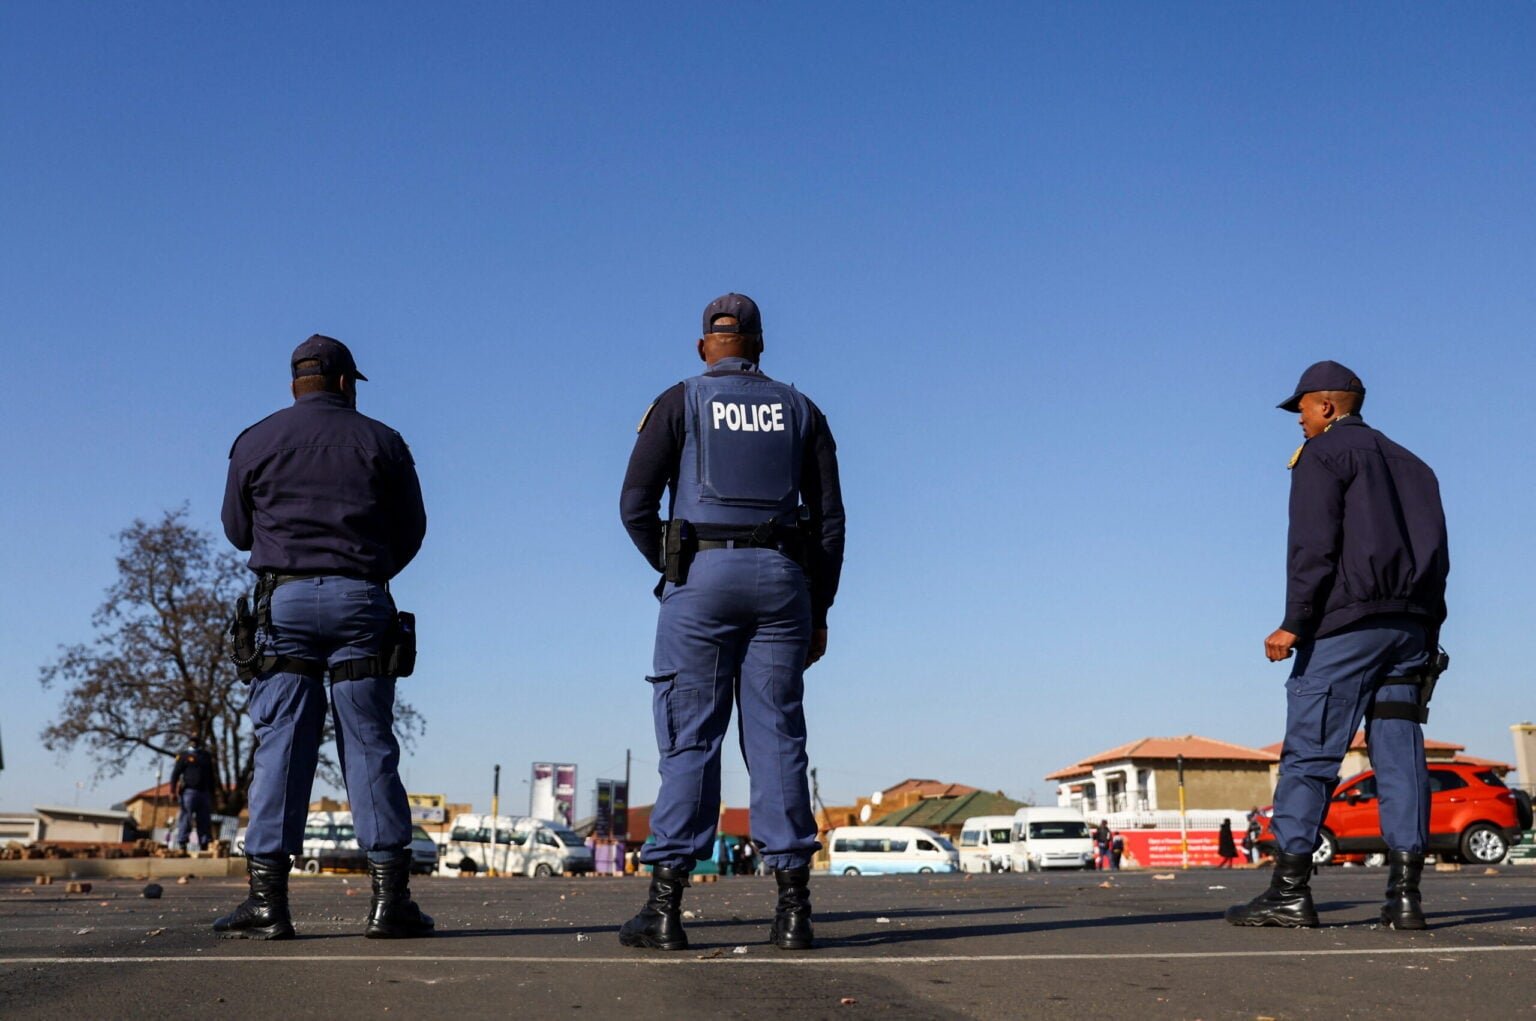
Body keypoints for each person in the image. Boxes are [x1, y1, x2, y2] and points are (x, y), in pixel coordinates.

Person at [618, 293, 846, 951]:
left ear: (703, 347)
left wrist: (675, 565)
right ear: (761, 346)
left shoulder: (679, 401)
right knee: (777, 736)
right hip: (784, 585)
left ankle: (665, 910)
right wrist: (820, 610)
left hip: (702, 579)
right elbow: (830, 521)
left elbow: (634, 504)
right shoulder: (802, 409)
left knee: (690, 737)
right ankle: (794, 910)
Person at [214, 334, 431, 941]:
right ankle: (390, 904)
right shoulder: (383, 441)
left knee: (280, 745)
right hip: (360, 601)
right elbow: (413, 528)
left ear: (294, 384)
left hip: (282, 605)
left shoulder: (254, 440)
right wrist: (367, 571)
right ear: (343, 383)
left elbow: (236, 530)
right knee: (369, 743)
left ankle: (268, 904)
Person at [1227, 361, 1448, 931]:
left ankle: (1289, 892)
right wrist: (1430, 633)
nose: (1297, 419)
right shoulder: (1415, 464)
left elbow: (1313, 546)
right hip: (1410, 630)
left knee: (1311, 754)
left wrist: (1294, 622)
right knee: (1400, 756)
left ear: (1326, 406)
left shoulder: (1323, 454)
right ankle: (1405, 898)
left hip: (1348, 626)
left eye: (1301, 408)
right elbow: (1439, 558)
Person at [170, 739, 216, 851]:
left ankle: (204, 842)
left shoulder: (205, 756)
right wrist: (172, 791)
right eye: (192, 740)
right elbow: (175, 774)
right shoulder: (183, 756)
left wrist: (212, 793)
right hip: (189, 791)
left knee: (204, 819)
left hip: (204, 792)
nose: (194, 743)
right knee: (186, 817)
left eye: (196, 740)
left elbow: (211, 775)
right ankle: (182, 842)